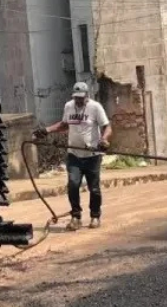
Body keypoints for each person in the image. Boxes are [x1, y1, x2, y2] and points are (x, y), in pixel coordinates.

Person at [38, 82, 112, 230]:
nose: (78, 101)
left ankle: (95, 216)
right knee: (73, 185)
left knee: (94, 188)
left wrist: (104, 140)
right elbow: (64, 125)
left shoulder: (95, 107)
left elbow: (107, 127)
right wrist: (46, 130)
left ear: (87, 96)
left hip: (92, 155)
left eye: (81, 98)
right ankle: (76, 217)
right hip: (74, 155)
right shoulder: (68, 106)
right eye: (76, 98)